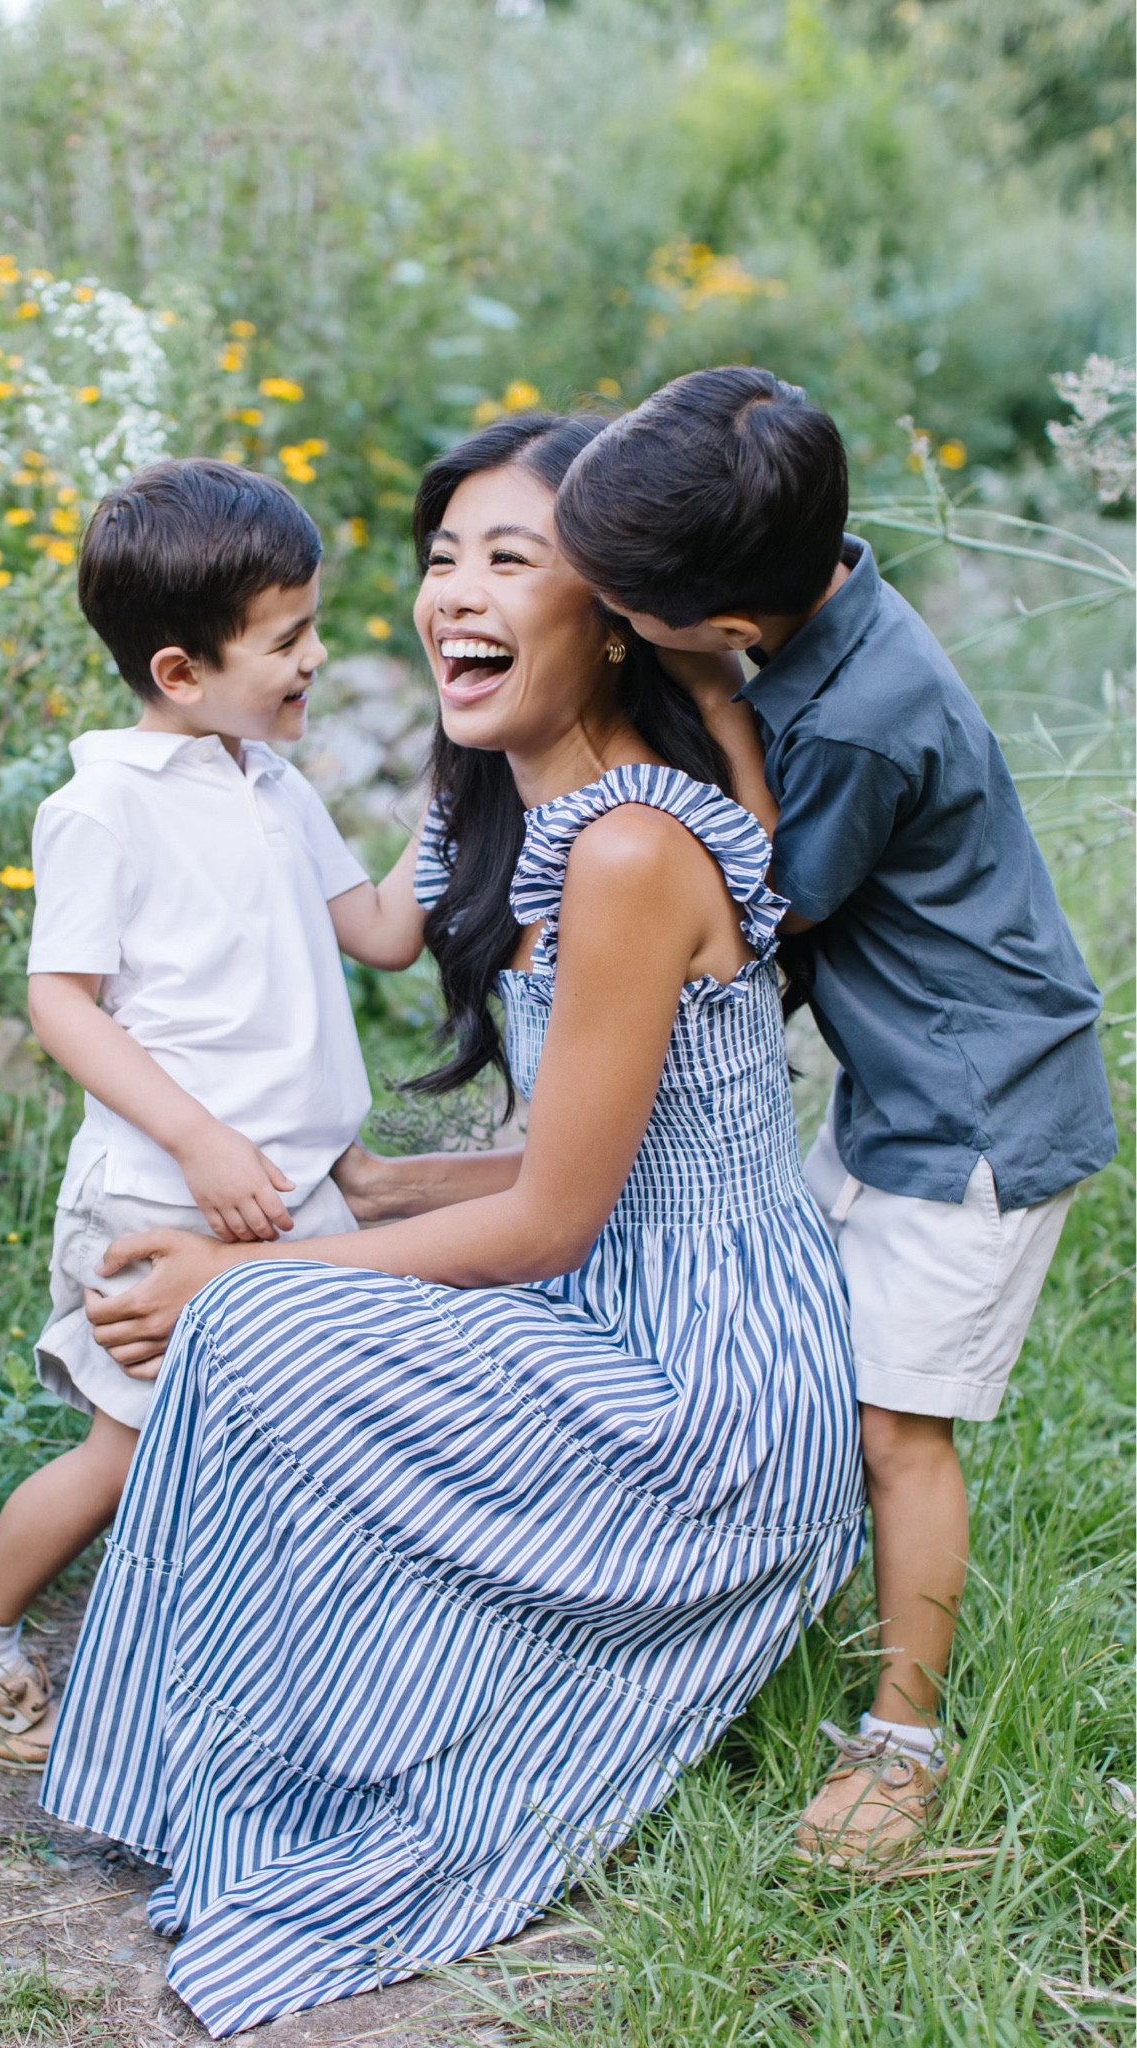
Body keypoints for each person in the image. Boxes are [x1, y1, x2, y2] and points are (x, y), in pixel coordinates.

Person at [39, 413, 866, 2039]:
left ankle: (312, 1755)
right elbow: (604, 1155)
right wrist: (373, 1193)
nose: (454, 595)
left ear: (615, 604)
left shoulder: (625, 846)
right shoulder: (584, 817)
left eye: (513, 558)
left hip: (699, 1384)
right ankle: (284, 1722)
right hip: (654, 1288)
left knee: (267, 1329)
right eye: (440, 558)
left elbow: (555, 1222)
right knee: (292, 1290)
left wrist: (242, 1267)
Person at [554, 367, 1119, 1867]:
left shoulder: (858, 722)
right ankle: (758, 1631)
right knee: (812, 1374)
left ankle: (901, 1742)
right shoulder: (823, 617)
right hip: (903, 1088)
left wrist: (719, 750)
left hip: (975, 1117)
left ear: (722, 630)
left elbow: (766, 914)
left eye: (621, 601)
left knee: (892, 1427)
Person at [0, 458, 425, 1767]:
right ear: (181, 671)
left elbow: (379, 935)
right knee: (129, 1449)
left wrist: (468, 790)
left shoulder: (272, 784)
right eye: (290, 637)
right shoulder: (103, 807)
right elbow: (62, 1004)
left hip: (286, 1191)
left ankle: (260, 1672)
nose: (316, 656)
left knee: (288, 1429)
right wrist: (198, 1137)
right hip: (164, 1188)